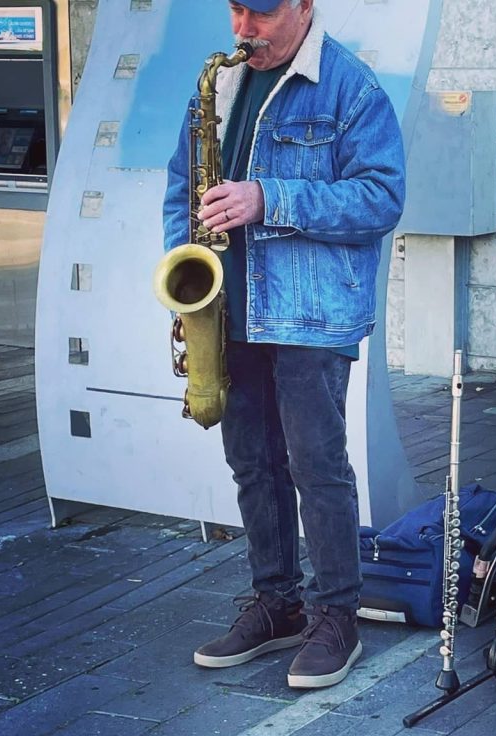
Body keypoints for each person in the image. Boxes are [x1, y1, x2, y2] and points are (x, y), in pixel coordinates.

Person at [163, 0, 405, 689]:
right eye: (237, 10)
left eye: (263, 13)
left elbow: (381, 199)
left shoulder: (352, 88)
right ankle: (277, 604)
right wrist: (182, 273)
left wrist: (269, 198)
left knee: (316, 468)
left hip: (308, 315)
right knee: (252, 463)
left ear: (304, 6)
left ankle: (338, 616)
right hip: (228, 309)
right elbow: (182, 188)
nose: (244, 29)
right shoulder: (217, 83)